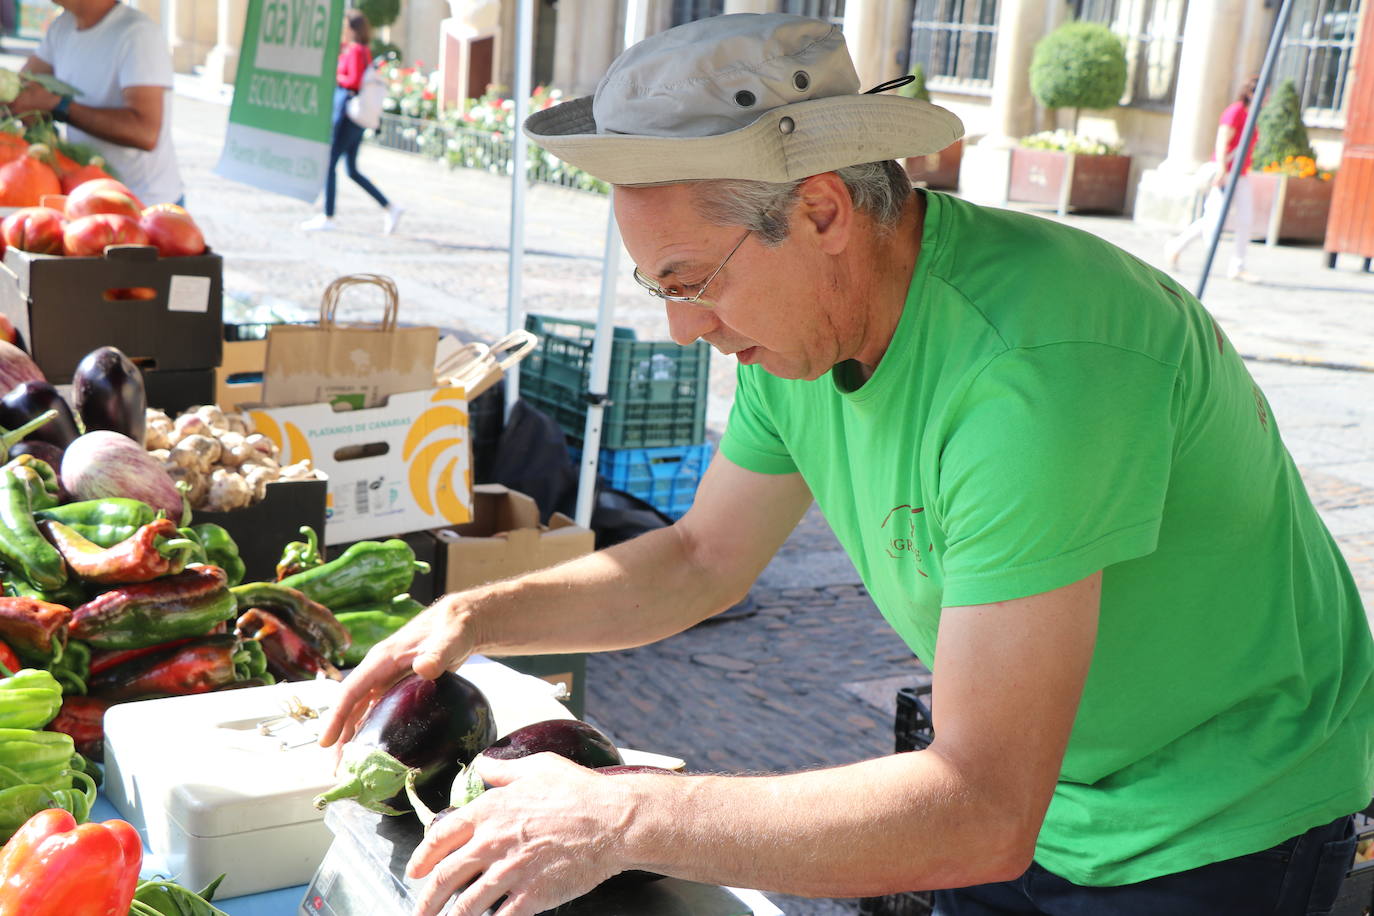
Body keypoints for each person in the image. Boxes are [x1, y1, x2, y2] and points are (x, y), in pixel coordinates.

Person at [322, 15, 1373, 916]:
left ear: (822, 210)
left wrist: (626, 815)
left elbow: (978, 809)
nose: (685, 328)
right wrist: (475, 616)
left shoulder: (1038, 379)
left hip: (1217, 812)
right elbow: (699, 557)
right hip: (1035, 797)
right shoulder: (803, 327)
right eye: (656, 286)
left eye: (692, 280)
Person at [9, 0, 183, 206]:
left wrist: (59, 106)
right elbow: (19, 89)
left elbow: (144, 132)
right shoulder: (63, 26)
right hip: (87, 195)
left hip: (141, 204)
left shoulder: (138, 34)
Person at [301, 8, 403, 234]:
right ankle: (389, 207)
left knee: (330, 163)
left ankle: (328, 215)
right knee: (351, 170)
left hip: (348, 114)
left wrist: (334, 75)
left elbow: (354, 81)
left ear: (351, 27)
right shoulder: (359, 50)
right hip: (355, 115)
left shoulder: (357, 50)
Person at [1164, 76, 1261, 282]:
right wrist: (1221, 169)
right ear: (1252, 93)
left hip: (1241, 173)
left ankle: (1237, 266)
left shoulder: (1251, 115)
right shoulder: (1235, 112)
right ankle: (1176, 246)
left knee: (1245, 219)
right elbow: (1222, 139)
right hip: (1226, 173)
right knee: (1213, 219)